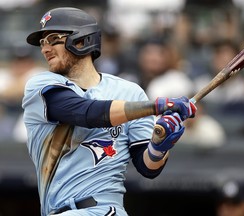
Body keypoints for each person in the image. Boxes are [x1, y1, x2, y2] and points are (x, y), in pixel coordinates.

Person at [22, 7, 197, 216]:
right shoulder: (41, 86)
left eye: (53, 39)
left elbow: (148, 168)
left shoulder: (129, 92)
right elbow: (87, 112)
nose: (45, 48)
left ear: (81, 40)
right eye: (42, 42)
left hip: (107, 210)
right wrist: (156, 107)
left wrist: (160, 145)